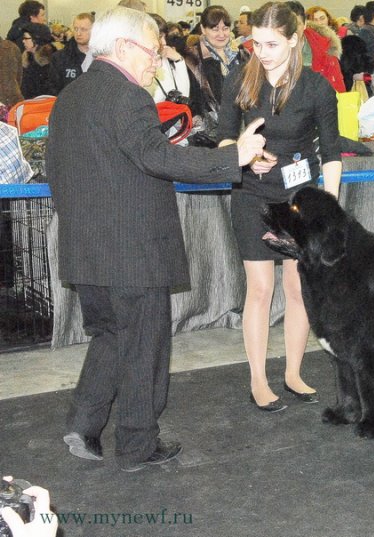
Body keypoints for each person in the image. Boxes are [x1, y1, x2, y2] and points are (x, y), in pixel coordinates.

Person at [46, 6, 267, 472]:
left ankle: (83, 423)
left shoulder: (70, 96)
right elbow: (156, 157)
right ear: (124, 47)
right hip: (133, 251)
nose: (157, 60)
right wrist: (235, 160)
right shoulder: (128, 97)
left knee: (110, 336)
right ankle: (137, 445)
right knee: (145, 347)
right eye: (153, 51)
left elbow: (60, 172)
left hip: (85, 249)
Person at [217, 1, 341, 412]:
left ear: (294, 40)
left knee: (298, 289)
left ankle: (292, 372)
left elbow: (333, 153)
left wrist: (330, 209)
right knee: (260, 289)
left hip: (297, 199)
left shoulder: (318, 88)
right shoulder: (238, 81)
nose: (262, 52)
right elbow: (221, 140)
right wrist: (244, 154)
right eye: (256, 43)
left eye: (272, 44)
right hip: (250, 193)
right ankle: (257, 378)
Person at [184, 5, 247, 143]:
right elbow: (191, 96)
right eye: (215, 29)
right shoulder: (193, 57)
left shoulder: (241, 52)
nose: (221, 34)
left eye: (225, 28)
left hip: (243, 128)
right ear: (203, 29)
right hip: (208, 135)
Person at [285, 1, 346, 93]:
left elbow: (338, 87)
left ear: (305, 24)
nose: (292, 29)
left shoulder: (326, 47)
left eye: (297, 24)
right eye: (287, 25)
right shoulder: (265, 50)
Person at [48, 12, 93, 94]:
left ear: (93, 30)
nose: (78, 33)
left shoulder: (101, 58)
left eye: (83, 29)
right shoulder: (59, 58)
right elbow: (53, 89)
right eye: (76, 29)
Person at [19, 23, 55, 99]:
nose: (23, 41)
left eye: (26, 38)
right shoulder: (28, 59)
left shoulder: (50, 63)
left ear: (36, 40)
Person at [0, 36, 24, 112]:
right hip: (12, 99)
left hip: (13, 101)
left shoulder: (12, 48)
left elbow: (19, 76)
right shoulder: (11, 47)